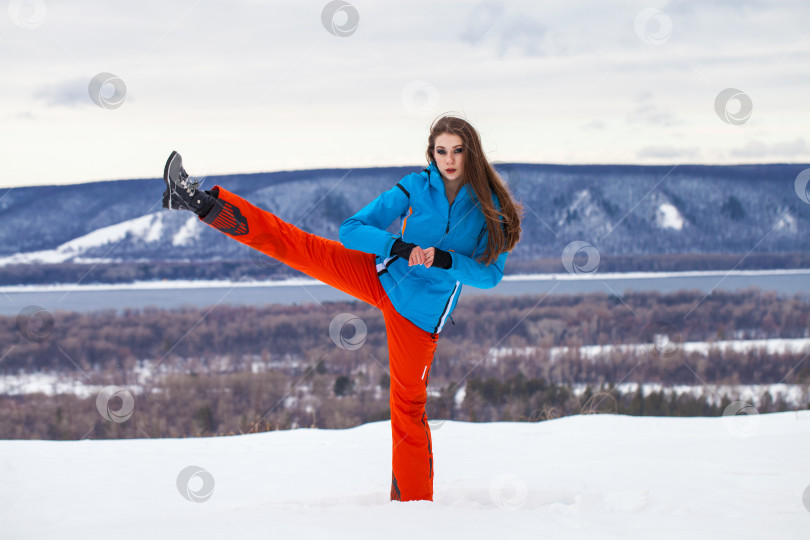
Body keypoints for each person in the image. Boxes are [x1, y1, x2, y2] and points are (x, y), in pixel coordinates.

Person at [161, 115, 522, 502]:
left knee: (408, 408)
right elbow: (352, 229)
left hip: (418, 315)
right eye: (441, 151)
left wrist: (443, 260)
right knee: (297, 244)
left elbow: (490, 275)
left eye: (458, 151)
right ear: (431, 154)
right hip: (380, 274)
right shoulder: (417, 185)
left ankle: (413, 511)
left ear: (472, 152)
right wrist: (396, 247)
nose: (449, 159)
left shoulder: (490, 204)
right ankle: (199, 200)